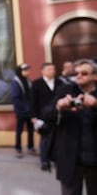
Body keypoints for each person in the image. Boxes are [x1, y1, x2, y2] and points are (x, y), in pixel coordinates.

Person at [45, 59, 97, 195]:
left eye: (84, 73)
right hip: (70, 160)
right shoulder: (65, 90)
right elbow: (45, 114)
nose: (78, 76)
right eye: (76, 73)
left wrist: (95, 104)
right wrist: (59, 106)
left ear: (95, 76)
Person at [30, 62, 63, 171]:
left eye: (53, 69)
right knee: (44, 139)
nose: (52, 71)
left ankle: (57, 159)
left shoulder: (60, 82)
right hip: (42, 117)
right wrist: (34, 117)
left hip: (57, 116)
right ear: (43, 71)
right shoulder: (36, 84)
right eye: (49, 69)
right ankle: (44, 161)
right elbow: (33, 102)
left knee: (58, 139)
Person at [10, 63, 35, 158]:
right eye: (25, 70)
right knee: (19, 130)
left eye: (28, 70)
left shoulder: (28, 80)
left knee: (30, 129)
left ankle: (31, 147)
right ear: (20, 71)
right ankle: (18, 148)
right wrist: (24, 108)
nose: (27, 72)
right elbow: (14, 98)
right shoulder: (16, 82)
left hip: (30, 111)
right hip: (21, 111)